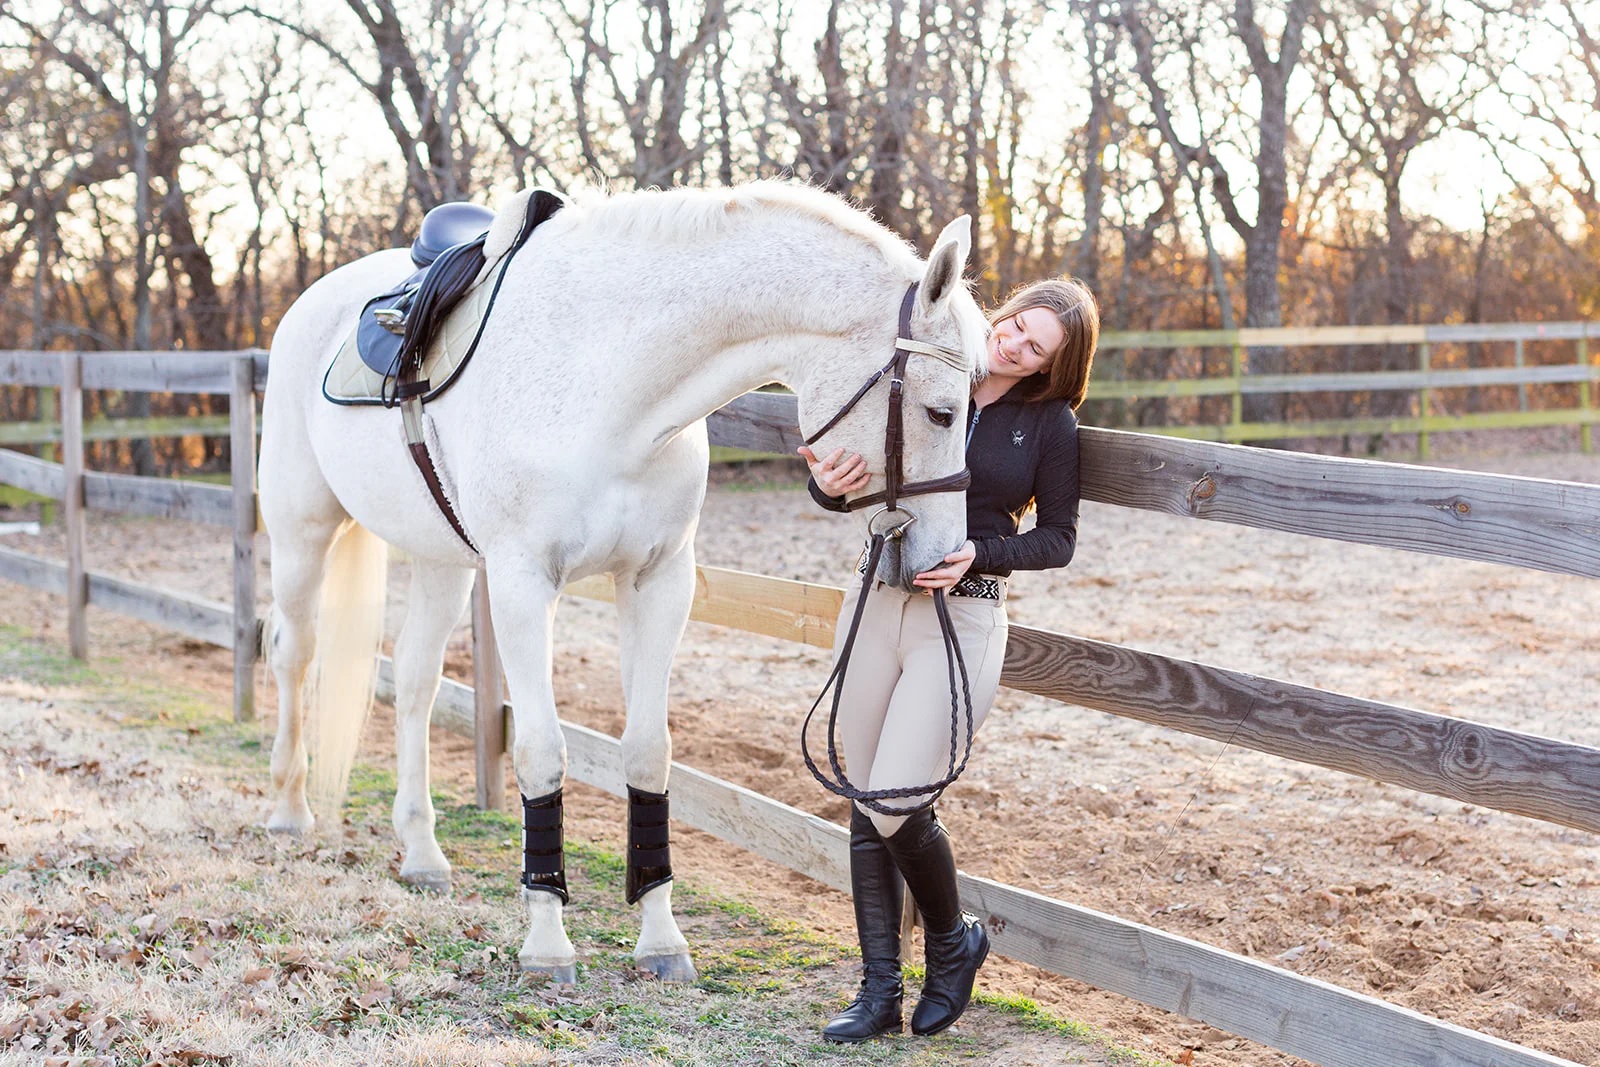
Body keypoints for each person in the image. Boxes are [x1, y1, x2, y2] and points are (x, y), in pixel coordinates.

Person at [797, 277, 1098, 1042]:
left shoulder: (1049, 424)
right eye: (1017, 325)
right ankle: (878, 991)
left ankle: (951, 940)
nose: (1015, 343)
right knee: (864, 794)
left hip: (960, 617)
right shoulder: (930, 374)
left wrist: (979, 553)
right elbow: (852, 469)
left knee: (894, 795)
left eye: (1037, 347)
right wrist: (825, 487)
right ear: (1002, 313)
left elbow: (1058, 538)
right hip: (876, 600)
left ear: (1050, 367)